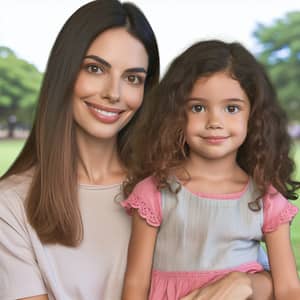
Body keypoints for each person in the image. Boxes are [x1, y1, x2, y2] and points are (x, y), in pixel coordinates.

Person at [0, 1, 273, 299]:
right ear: (64, 72)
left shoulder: (177, 181)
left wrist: (248, 283)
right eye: (95, 68)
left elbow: (257, 268)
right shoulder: (12, 205)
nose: (113, 93)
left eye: (133, 78)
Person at [121, 40, 300, 300]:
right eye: (198, 108)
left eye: (231, 108)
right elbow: (135, 285)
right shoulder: (154, 192)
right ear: (175, 114)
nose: (215, 122)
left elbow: (288, 288)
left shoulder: (266, 197)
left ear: (254, 116)